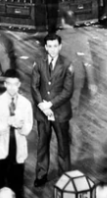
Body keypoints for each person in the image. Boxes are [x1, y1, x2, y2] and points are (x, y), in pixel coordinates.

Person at [0, 70, 33, 198]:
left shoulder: (26, 104)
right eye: (9, 84)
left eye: (16, 84)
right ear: (5, 84)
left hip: (17, 152)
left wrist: (20, 126)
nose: (13, 88)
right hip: (0, 152)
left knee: (17, 186)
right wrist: (7, 123)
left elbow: (28, 129)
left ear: (19, 85)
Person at [30, 33, 74, 186]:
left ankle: (64, 177)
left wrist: (50, 105)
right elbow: (34, 86)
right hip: (42, 113)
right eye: (49, 46)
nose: (53, 49)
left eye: (55, 46)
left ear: (60, 47)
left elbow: (68, 91)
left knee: (63, 146)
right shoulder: (38, 63)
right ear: (45, 47)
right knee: (42, 144)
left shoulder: (67, 64)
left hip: (60, 112)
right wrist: (42, 105)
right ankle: (41, 175)